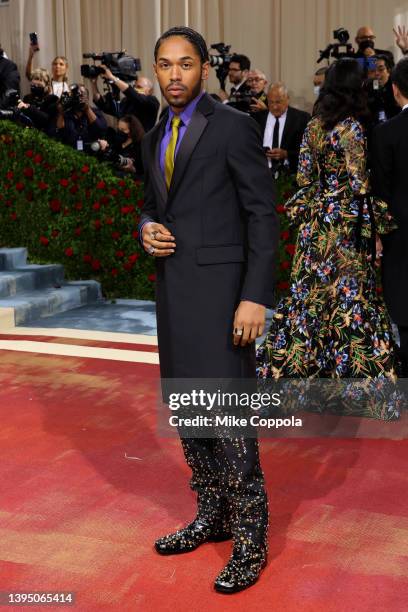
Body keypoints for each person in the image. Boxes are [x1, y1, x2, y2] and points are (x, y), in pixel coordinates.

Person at [138, 26, 278, 593]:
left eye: (186, 64)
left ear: (203, 69)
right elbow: (149, 206)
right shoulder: (152, 136)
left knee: (228, 419)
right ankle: (213, 515)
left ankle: (251, 538)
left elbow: (262, 216)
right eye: (166, 65)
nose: (175, 75)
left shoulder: (234, 127)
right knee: (190, 414)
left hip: (224, 299)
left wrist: (255, 295)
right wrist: (145, 228)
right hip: (174, 295)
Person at [257, 58, 401, 420]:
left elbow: (304, 178)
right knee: (350, 303)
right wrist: (375, 230)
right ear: (355, 87)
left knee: (310, 300)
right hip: (344, 225)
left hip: (314, 224)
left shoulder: (312, 127)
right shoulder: (351, 128)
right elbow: (359, 184)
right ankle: (355, 390)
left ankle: (296, 385)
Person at [371, 57, 408, 377]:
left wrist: (378, 236)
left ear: (395, 90)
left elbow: (379, 193)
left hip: (401, 236)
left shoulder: (386, 133)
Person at [256, 82, 310, 176]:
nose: (274, 106)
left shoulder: (302, 119)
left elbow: (308, 150)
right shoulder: (257, 119)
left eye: (278, 102)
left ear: (287, 99)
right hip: (261, 174)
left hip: (290, 176)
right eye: (271, 102)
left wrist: (287, 154)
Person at [90, 67, 159, 132]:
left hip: (142, 142)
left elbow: (135, 96)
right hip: (124, 142)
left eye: (139, 87)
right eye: (134, 86)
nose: (135, 89)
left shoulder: (152, 102)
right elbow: (103, 105)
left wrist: (112, 77)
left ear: (150, 91)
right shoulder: (126, 101)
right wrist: (93, 83)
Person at [50, 84, 107, 149]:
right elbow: (59, 131)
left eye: (82, 94)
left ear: (87, 97)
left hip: (91, 152)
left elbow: (101, 129)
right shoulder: (67, 114)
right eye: (76, 95)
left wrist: (87, 109)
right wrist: (61, 111)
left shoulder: (95, 112)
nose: (79, 97)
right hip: (71, 152)